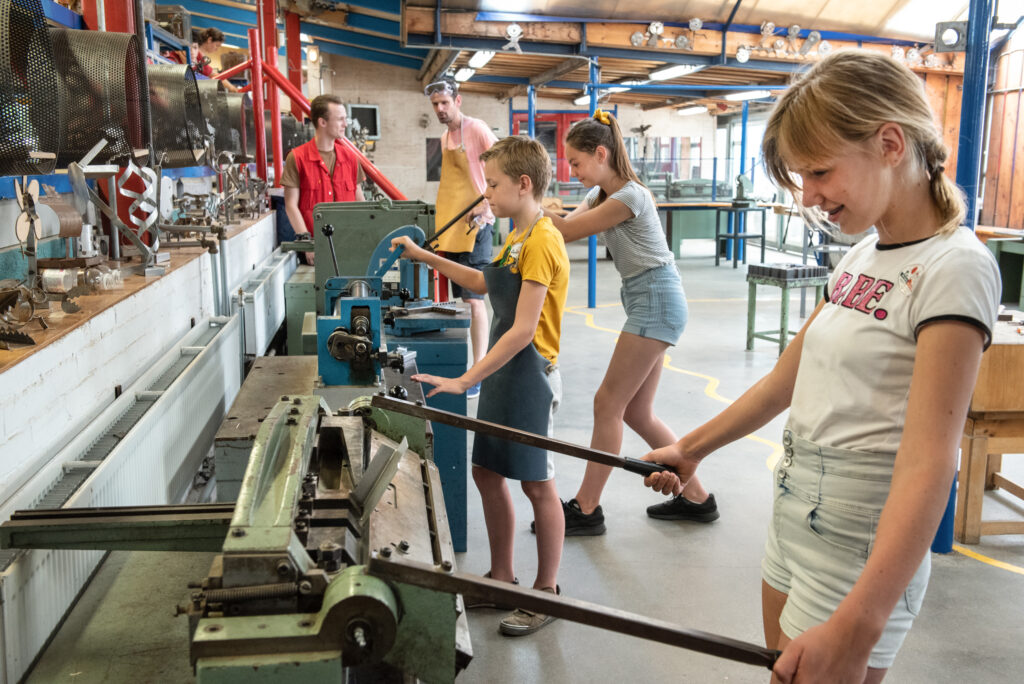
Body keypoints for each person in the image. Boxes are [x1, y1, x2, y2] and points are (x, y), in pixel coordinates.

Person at [643, 49, 1000, 683]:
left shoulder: (955, 267)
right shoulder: (864, 254)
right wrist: (692, 448)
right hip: (795, 504)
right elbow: (789, 377)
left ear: (890, 143)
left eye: (819, 172)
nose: (810, 197)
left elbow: (930, 461)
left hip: (863, 531)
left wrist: (863, 620)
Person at [391, 136, 569, 636]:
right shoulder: (515, 236)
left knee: (538, 484)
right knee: (488, 474)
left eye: (492, 184)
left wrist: (467, 378)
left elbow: (522, 330)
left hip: (530, 375)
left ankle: (547, 592)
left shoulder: (542, 242)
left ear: (523, 183)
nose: (485, 193)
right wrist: (423, 255)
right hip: (503, 371)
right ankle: (501, 578)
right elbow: (481, 284)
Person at [538, 109, 716, 536]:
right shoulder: (603, 195)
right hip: (649, 300)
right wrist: (548, 210)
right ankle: (697, 499)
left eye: (577, 163)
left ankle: (587, 507)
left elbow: (564, 230)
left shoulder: (630, 197)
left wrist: (532, 206)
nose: (573, 171)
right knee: (637, 411)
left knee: (607, 404)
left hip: (656, 301)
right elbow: (569, 216)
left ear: (601, 154)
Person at [425, 77, 498, 399]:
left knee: (474, 299)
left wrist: (485, 205)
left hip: (477, 225)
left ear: (458, 100)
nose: (440, 109)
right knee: (452, 298)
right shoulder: (444, 138)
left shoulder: (477, 129)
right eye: (435, 105)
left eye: (444, 103)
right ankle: (454, 365)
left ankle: (479, 370)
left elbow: (503, 165)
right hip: (452, 225)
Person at [281, 94, 365, 265]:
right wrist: (307, 243)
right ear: (322, 122)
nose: (345, 124)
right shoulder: (297, 158)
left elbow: (361, 203)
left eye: (345, 119)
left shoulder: (351, 158)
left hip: (349, 247)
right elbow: (291, 205)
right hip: (315, 251)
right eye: (340, 119)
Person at [193, 28, 238, 92]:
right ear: (209, 40)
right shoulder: (197, 55)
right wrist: (232, 88)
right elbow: (213, 74)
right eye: (217, 45)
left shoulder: (201, 56)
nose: (217, 49)